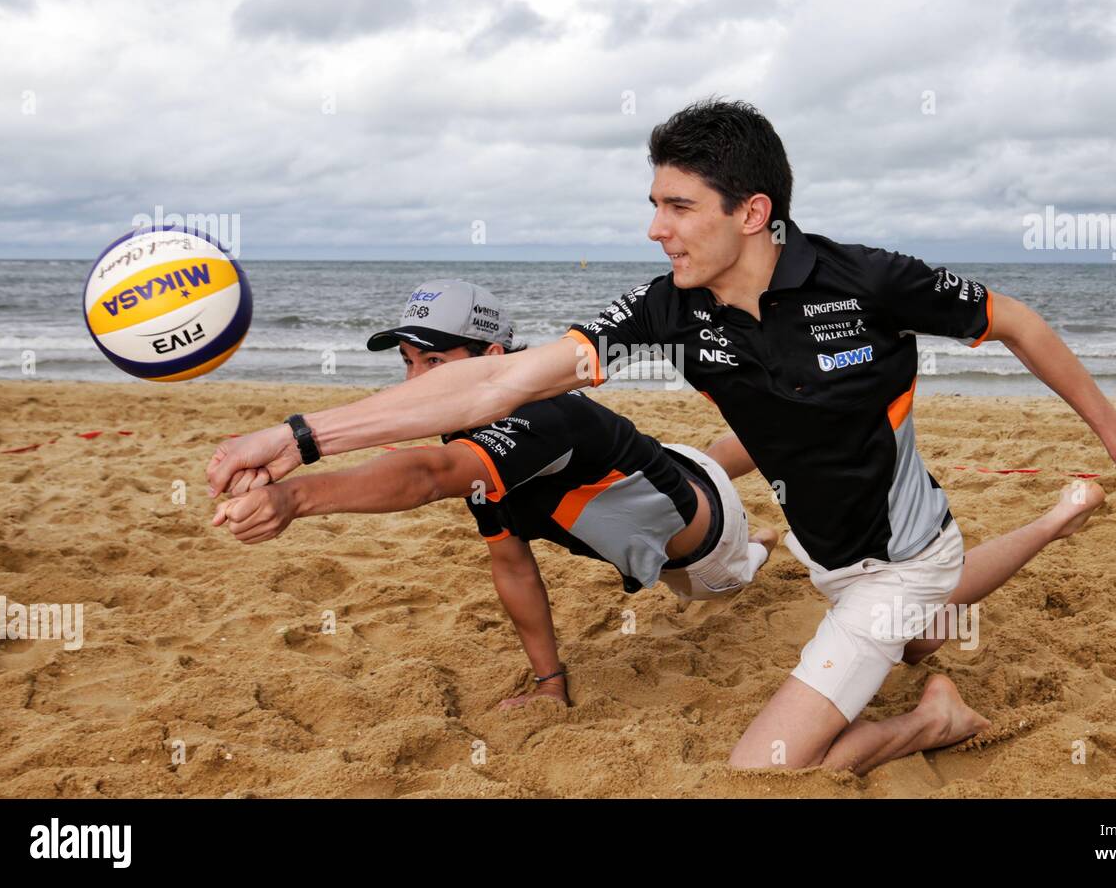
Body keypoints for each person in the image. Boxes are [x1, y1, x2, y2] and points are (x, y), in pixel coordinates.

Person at [207, 99, 1116, 775]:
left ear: (751, 211)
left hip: (901, 547)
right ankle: (1059, 516)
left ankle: (934, 717)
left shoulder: (867, 278)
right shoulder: (667, 308)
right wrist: (300, 434)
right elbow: (501, 377)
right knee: (918, 610)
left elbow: (1016, 318)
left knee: (764, 766)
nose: (655, 228)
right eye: (653, 203)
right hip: (822, 546)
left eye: (676, 206)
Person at [211, 279, 776, 710]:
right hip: (665, 468)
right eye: (409, 363)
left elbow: (428, 476)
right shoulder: (476, 437)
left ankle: (769, 532)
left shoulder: (536, 418)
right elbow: (511, 562)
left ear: (492, 360)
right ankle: (786, 434)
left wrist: (294, 499)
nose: (417, 382)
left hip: (706, 556)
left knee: (737, 554)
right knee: (711, 458)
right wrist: (549, 683)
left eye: (434, 362)